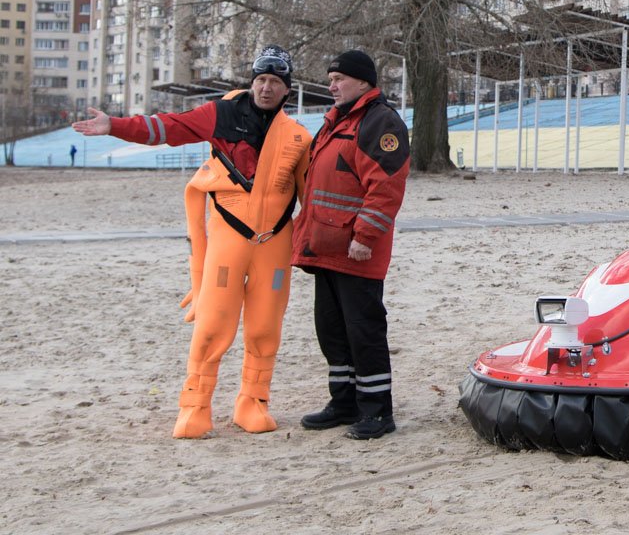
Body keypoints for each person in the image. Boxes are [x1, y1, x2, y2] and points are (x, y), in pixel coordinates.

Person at [72, 45, 311, 438]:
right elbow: (168, 127)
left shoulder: (298, 136)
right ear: (252, 82)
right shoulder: (220, 114)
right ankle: (195, 405)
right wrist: (114, 125)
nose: (267, 88)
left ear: (287, 90)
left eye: (275, 82)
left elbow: (309, 196)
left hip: (275, 240)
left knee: (265, 325)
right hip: (230, 235)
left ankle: (253, 401)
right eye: (261, 80)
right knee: (214, 323)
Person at [292, 50, 410, 440]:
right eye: (330, 79)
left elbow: (386, 187)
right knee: (331, 330)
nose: (331, 85)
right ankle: (343, 401)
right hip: (326, 247)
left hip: (356, 250)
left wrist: (365, 236)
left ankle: (377, 411)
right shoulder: (335, 121)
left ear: (363, 81)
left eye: (338, 78)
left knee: (364, 330)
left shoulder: (380, 121)